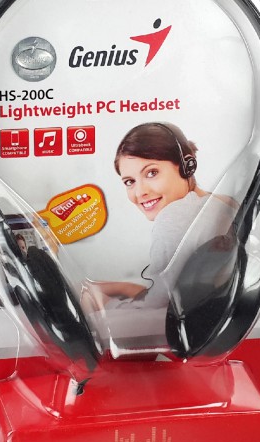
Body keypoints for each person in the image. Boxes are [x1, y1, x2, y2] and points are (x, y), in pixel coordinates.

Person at [85, 122, 237, 310]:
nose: (140, 192)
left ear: (186, 166)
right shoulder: (224, 202)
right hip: (208, 304)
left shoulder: (173, 216)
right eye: (130, 181)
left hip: (174, 316)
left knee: (84, 293)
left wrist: (108, 305)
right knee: (112, 288)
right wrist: (125, 289)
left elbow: (157, 307)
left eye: (152, 173)